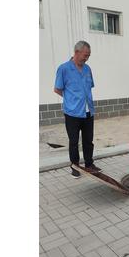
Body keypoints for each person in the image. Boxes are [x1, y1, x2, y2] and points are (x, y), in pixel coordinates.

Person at [54, 40, 102, 178]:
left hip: (88, 111)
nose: (86, 58)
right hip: (72, 113)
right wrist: (70, 99)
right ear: (76, 52)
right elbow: (57, 89)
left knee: (88, 140)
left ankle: (89, 164)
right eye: (85, 55)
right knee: (74, 141)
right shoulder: (63, 69)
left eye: (88, 56)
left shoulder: (87, 69)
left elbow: (89, 87)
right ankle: (75, 166)